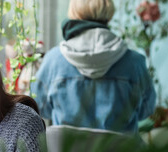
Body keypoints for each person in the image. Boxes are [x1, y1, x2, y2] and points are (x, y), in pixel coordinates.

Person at [30, 0, 156, 133]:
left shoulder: (53, 61)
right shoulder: (135, 63)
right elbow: (145, 111)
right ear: (109, 15)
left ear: (74, 13)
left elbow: (40, 107)